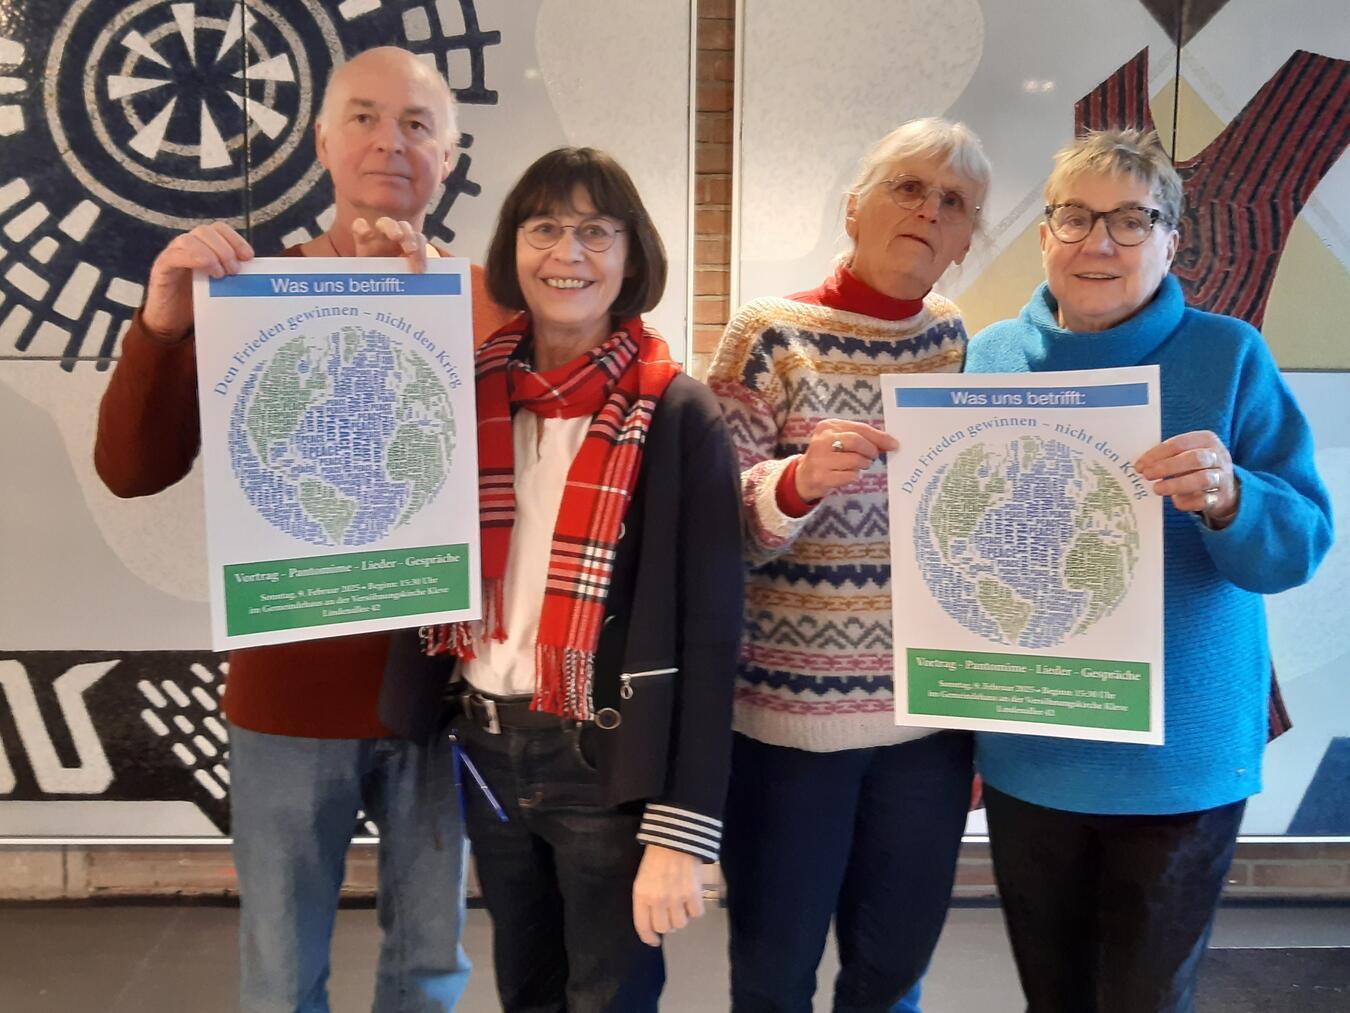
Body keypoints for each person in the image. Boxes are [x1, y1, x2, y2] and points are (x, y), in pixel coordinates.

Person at [93, 46, 510, 1013]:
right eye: (364, 117)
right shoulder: (250, 295)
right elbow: (132, 468)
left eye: (417, 123)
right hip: (289, 691)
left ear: (449, 153)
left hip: (442, 689)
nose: (390, 142)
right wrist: (163, 323)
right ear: (323, 141)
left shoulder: (494, 306)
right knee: (281, 972)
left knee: (430, 966)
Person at [965, 128, 1333, 1013]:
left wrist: (1231, 495)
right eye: (1076, 217)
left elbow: (1303, 541)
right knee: (1050, 995)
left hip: (1179, 754)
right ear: (1044, 233)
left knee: (1144, 998)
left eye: (1132, 220)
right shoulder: (988, 357)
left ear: (1172, 239)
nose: (1099, 242)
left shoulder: (1228, 353)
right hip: (1033, 747)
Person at [379, 147, 744, 1013]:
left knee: (610, 997)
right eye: (545, 228)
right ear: (514, 248)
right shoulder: (463, 391)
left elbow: (711, 630)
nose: (567, 254)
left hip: (604, 757)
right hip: (488, 744)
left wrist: (681, 832)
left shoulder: (677, 412)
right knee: (527, 989)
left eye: (594, 231)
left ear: (630, 256)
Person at [706, 118, 991, 1012]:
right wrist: (792, 485)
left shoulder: (955, 338)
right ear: (853, 208)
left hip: (929, 725)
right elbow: (715, 528)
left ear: (965, 240)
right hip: (791, 727)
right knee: (774, 969)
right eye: (908, 186)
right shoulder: (768, 334)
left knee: (894, 968)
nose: (928, 210)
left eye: (953, 202)